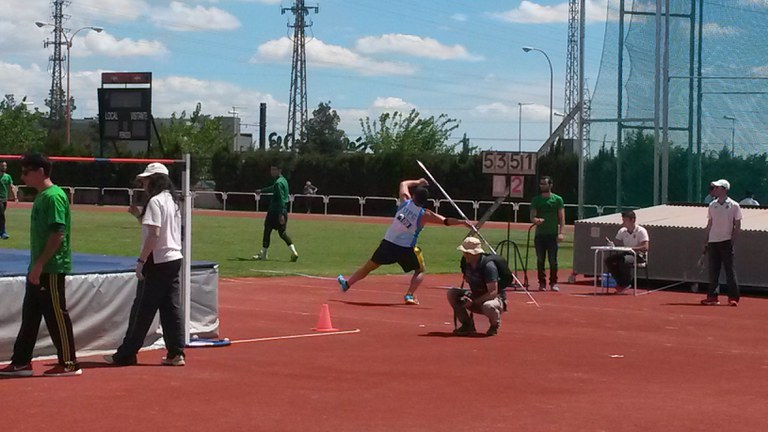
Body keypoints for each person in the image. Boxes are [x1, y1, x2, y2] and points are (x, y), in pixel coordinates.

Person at [0, 153, 80, 377]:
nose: (22, 176)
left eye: (26, 171)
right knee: (31, 316)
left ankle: (69, 362)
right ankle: (21, 361)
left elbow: (58, 233)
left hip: (51, 268)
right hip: (39, 267)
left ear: (40, 172)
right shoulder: (42, 197)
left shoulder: (53, 197)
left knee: (56, 315)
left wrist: (40, 265)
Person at [104, 162, 186, 366]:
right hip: (174, 258)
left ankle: (127, 353)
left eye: (146, 180)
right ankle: (176, 352)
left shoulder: (155, 202)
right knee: (170, 307)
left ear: (154, 180)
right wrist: (138, 216)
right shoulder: (173, 201)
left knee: (142, 309)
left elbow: (154, 234)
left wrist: (141, 260)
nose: (143, 185)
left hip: (156, 260)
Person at [337, 178, 467, 305]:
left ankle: (347, 284)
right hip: (405, 248)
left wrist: (418, 182)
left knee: (368, 267)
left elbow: (403, 183)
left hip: (388, 243)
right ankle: (409, 295)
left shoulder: (405, 202)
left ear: (414, 196)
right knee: (420, 271)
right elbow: (446, 221)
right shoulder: (425, 214)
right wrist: (462, 222)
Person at [448, 237, 506, 336]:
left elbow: (493, 292)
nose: (465, 255)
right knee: (452, 293)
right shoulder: (467, 263)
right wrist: (467, 296)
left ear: (476, 253)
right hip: (476, 296)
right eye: (465, 252)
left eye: (468, 253)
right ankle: (467, 325)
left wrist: (474, 302)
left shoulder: (488, 267)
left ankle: (494, 325)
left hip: (493, 299)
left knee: (488, 306)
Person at [701, 179, 742, 306]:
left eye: (717, 188)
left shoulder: (734, 205)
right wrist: (705, 241)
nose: (714, 190)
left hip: (726, 242)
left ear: (724, 189)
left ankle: (733, 298)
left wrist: (732, 241)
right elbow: (710, 224)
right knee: (713, 271)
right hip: (713, 241)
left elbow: (738, 225)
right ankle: (712, 297)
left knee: (730, 271)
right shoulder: (712, 205)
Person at [253, 165, 298, 262]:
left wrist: (280, 213)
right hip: (283, 210)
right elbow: (273, 188)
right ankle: (294, 252)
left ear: (279, 170)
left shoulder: (278, 183)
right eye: (271, 169)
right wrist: (262, 191)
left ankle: (264, 254)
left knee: (267, 230)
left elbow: (281, 197)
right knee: (282, 233)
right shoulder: (283, 180)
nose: (271, 171)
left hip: (275, 211)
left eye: (274, 169)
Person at [530, 176, 565, 292]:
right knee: (540, 259)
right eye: (541, 184)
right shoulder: (536, 200)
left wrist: (561, 233)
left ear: (550, 185)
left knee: (553, 260)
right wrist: (536, 220)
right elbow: (532, 216)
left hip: (552, 234)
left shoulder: (557, 199)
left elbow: (561, 217)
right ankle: (542, 283)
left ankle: (554, 282)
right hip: (540, 235)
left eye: (544, 184)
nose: (542, 186)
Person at [604, 210, 649, 294]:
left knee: (624, 260)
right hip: (626, 254)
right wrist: (612, 245)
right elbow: (617, 243)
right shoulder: (622, 231)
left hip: (639, 256)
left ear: (633, 220)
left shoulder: (641, 231)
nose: (623, 222)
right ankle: (620, 283)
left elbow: (645, 247)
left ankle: (626, 283)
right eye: (623, 220)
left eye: (625, 220)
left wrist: (631, 249)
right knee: (609, 260)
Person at [0, 160, 18, 239]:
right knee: (2, 216)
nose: (4, 167)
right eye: (2, 166)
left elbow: (11, 186)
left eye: (5, 166)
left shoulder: (8, 176)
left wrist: (15, 197)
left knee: (1, 215)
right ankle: (3, 232)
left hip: (4, 199)